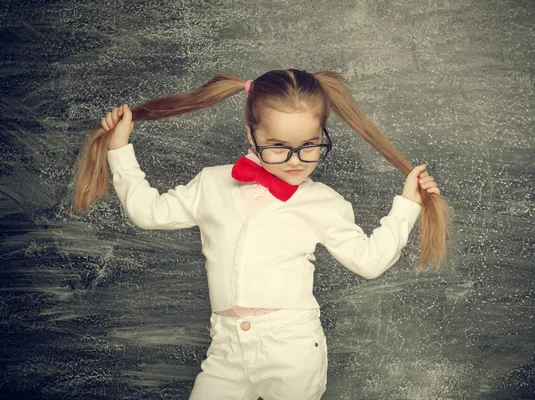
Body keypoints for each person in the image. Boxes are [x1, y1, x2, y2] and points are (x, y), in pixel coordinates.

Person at [74, 69, 448, 400]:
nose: (296, 160)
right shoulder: (212, 183)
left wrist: (407, 204)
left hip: (292, 348)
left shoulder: (322, 202)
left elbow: (369, 262)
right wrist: (119, 147)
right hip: (227, 346)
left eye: (310, 146)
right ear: (251, 133)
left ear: (322, 133)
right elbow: (148, 213)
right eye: (278, 147)